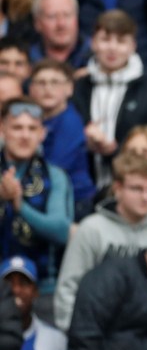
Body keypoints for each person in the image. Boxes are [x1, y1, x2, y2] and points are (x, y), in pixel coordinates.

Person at [54, 152, 147, 330]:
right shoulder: (92, 229)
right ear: (117, 188)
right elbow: (69, 287)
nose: (146, 197)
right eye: (137, 188)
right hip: (96, 334)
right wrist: (75, 334)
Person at [72, 10, 147, 191]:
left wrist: (115, 152)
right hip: (82, 187)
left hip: (136, 189)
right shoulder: (79, 87)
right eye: (105, 39)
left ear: (133, 45)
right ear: (93, 43)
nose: (112, 48)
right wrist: (83, 140)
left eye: (121, 41)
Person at [0, 97, 73, 299]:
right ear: (2, 129)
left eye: (32, 129)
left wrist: (19, 205)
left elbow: (61, 231)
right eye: (17, 128)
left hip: (41, 288)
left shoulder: (55, 176)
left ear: (42, 134)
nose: (25, 135)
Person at [29, 59, 96, 217]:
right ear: (31, 89)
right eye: (41, 83)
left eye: (55, 82)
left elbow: (56, 166)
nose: (48, 88)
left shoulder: (70, 121)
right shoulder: (34, 121)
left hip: (76, 202)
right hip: (48, 196)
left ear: (69, 89)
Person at [29, 0, 92, 70]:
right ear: (37, 23)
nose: (61, 24)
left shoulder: (95, 55)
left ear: (76, 19)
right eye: (52, 16)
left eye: (67, 15)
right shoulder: (25, 60)